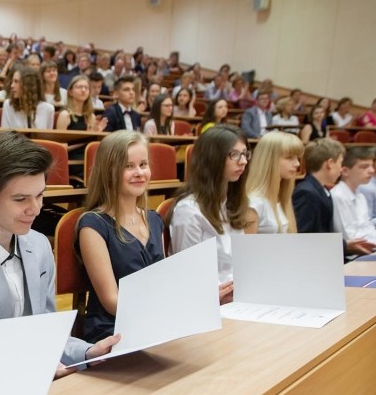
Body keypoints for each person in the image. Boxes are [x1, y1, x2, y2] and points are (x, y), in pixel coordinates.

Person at [0, 131, 120, 376]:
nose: (36, 209)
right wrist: (28, 371)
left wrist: (87, 353)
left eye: (40, 195)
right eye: (20, 199)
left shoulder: (39, 246)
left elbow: (46, 332)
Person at [76, 131, 164, 341]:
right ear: (109, 171)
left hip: (155, 322)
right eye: (128, 166)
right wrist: (162, 316)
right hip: (113, 330)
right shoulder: (93, 225)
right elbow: (111, 300)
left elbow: (164, 284)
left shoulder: (154, 219)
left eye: (143, 164)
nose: (139, 173)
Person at [168, 125, 254, 302]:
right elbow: (187, 273)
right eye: (234, 154)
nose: (243, 161)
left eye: (245, 154)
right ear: (213, 159)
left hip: (239, 298)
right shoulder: (188, 211)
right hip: (208, 303)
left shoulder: (232, 202)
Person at [292, 138, 375, 259]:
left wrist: (345, 245)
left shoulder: (320, 189)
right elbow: (306, 237)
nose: (341, 169)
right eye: (340, 163)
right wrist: (344, 246)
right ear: (330, 163)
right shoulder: (307, 192)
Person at [331, 146, 376, 250]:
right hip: (354, 255)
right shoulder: (338, 196)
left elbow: (369, 230)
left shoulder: (360, 196)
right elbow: (351, 238)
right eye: (364, 167)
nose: (372, 171)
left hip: (373, 247)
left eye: (372, 166)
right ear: (345, 171)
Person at [245, 131, 303, 234]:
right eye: (289, 158)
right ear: (270, 160)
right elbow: (245, 248)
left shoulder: (282, 198)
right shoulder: (255, 203)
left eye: (297, 158)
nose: (297, 164)